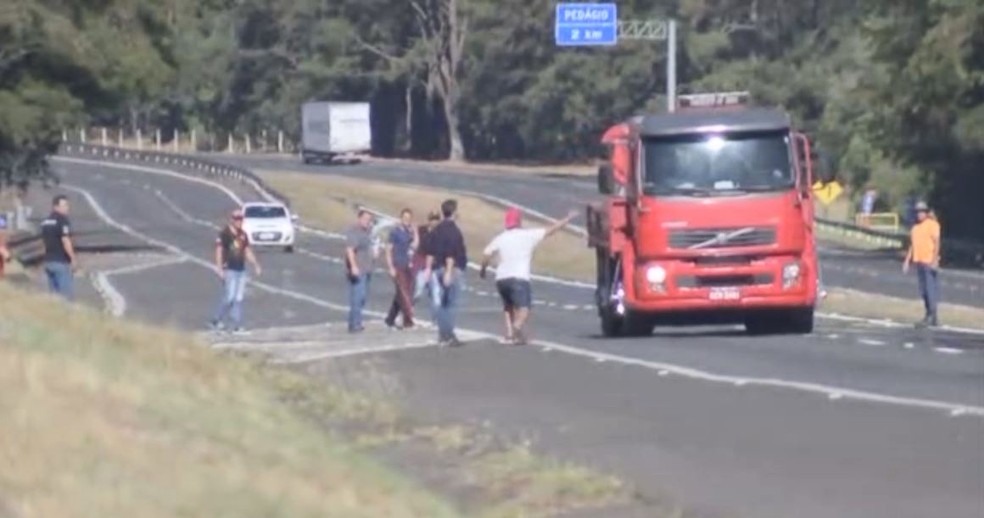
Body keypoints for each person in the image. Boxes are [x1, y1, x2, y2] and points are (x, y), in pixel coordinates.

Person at [480, 207, 577, 345]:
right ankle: (516, 328)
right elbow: (550, 230)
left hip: (501, 278)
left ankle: (510, 335)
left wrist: (483, 270)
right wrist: (567, 219)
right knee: (524, 308)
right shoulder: (527, 235)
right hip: (519, 277)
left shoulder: (501, 238)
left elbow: (486, 253)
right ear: (519, 221)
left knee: (508, 307)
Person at [209, 209, 262, 333]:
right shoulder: (225, 234)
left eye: (241, 219)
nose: (239, 222)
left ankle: (237, 325)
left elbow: (247, 250)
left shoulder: (243, 235)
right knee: (229, 298)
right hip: (229, 269)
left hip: (241, 270)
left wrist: (255, 264)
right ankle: (216, 320)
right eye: (237, 219)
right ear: (232, 220)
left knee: (238, 298)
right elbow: (219, 250)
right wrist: (219, 267)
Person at [425, 199, 467, 347]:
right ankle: (448, 334)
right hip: (450, 269)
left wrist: (428, 269)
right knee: (451, 304)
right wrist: (449, 271)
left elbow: (429, 251)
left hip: (437, 268)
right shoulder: (453, 231)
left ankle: (443, 334)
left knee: (443, 303)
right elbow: (451, 253)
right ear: (454, 212)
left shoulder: (437, 229)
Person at [902, 201, 941, 327]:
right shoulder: (915, 228)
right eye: (918, 212)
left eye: (922, 212)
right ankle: (929, 314)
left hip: (929, 261)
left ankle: (932, 315)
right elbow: (912, 246)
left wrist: (935, 260)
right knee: (923, 291)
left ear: (926, 213)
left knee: (930, 290)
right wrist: (907, 261)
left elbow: (936, 243)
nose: (920, 214)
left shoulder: (932, 225)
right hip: (919, 260)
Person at [384, 208, 419, 329]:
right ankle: (408, 321)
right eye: (405, 218)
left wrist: (415, 232)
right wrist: (390, 267)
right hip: (397, 265)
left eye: (409, 218)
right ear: (401, 218)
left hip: (407, 266)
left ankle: (390, 319)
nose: (407, 220)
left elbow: (415, 245)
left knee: (403, 293)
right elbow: (388, 249)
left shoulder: (408, 233)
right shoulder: (395, 232)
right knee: (404, 294)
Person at [40, 194, 77, 300]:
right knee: (66, 296)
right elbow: (65, 240)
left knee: (54, 297)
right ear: (55, 206)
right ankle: (67, 315)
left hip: (48, 261)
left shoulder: (45, 222)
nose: (67, 208)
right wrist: (73, 258)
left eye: (67, 205)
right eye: (64, 205)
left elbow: (43, 241)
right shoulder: (62, 221)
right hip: (60, 261)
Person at [345, 209, 375, 333]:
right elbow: (350, 250)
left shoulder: (368, 232)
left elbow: (369, 247)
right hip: (358, 269)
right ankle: (355, 324)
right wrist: (353, 266)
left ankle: (355, 322)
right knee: (358, 296)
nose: (367, 221)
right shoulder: (354, 231)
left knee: (362, 298)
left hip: (367, 268)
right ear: (359, 218)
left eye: (369, 220)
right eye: (365, 219)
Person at [412, 211, 441, 304]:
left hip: (434, 265)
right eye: (432, 219)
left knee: (436, 291)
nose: (434, 222)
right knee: (418, 290)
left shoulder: (440, 233)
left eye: (436, 219)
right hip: (421, 263)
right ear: (429, 220)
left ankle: (438, 314)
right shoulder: (421, 230)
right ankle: (408, 307)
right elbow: (414, 243)